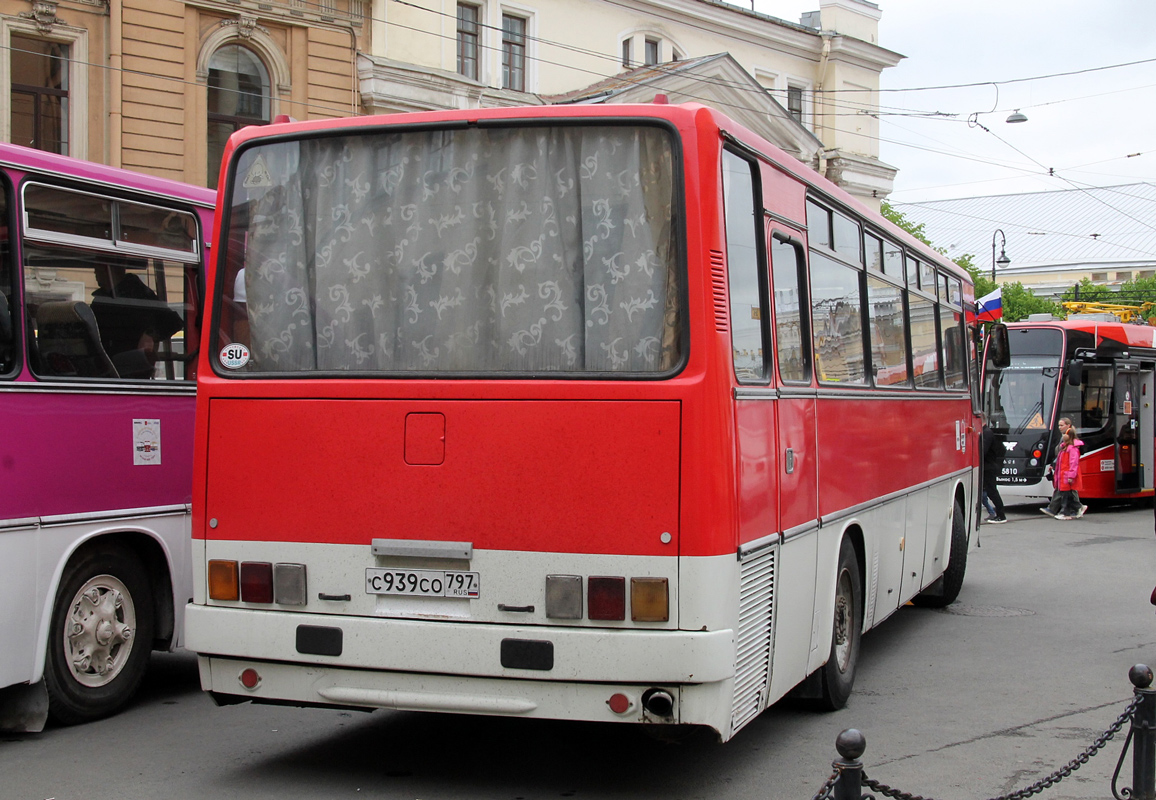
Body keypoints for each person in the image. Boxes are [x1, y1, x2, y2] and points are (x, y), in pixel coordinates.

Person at [90, 263, 183, 378]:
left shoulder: (137, 293)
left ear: (114, 270)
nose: (96, 274)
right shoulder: (101, 299)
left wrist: (150, 334)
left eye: (100, 270)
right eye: (96, 270)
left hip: (132, 370)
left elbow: (173, 322)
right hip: (105, 366)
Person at [1041, 417, 1088, 518]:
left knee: (1067, 492)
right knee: (1064, 491)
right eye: (1059, 425)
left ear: (1068, 426)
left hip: (1066, 473)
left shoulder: (1071, 446)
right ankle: (1071, 509)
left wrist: (1071, 475)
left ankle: (1067, 510)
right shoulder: (1065, 444)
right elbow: (1059, 457)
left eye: (1061, 425)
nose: (1059, 427)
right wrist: (1053, 465)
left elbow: (1073, 462)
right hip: (1062, 472)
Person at [1052, 429, 1084, 520]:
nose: (1063, 436)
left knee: (1066, 494)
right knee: (1066, 493)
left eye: (1065, 434)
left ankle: (1065, 512)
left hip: (1066, 475)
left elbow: (1073, 463)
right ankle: (1078, 507)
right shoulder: (1065, 447)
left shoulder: (1072, 449)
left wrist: (1071, 476)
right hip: (1063, 475)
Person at [981, 415, 1007, 524]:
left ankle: (1001, 515)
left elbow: (983, 450)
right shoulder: (984, 432)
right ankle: (995, 513)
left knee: (992, 492)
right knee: (987, 492)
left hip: (988, 467)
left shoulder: (986, 433)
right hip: (986, 466)